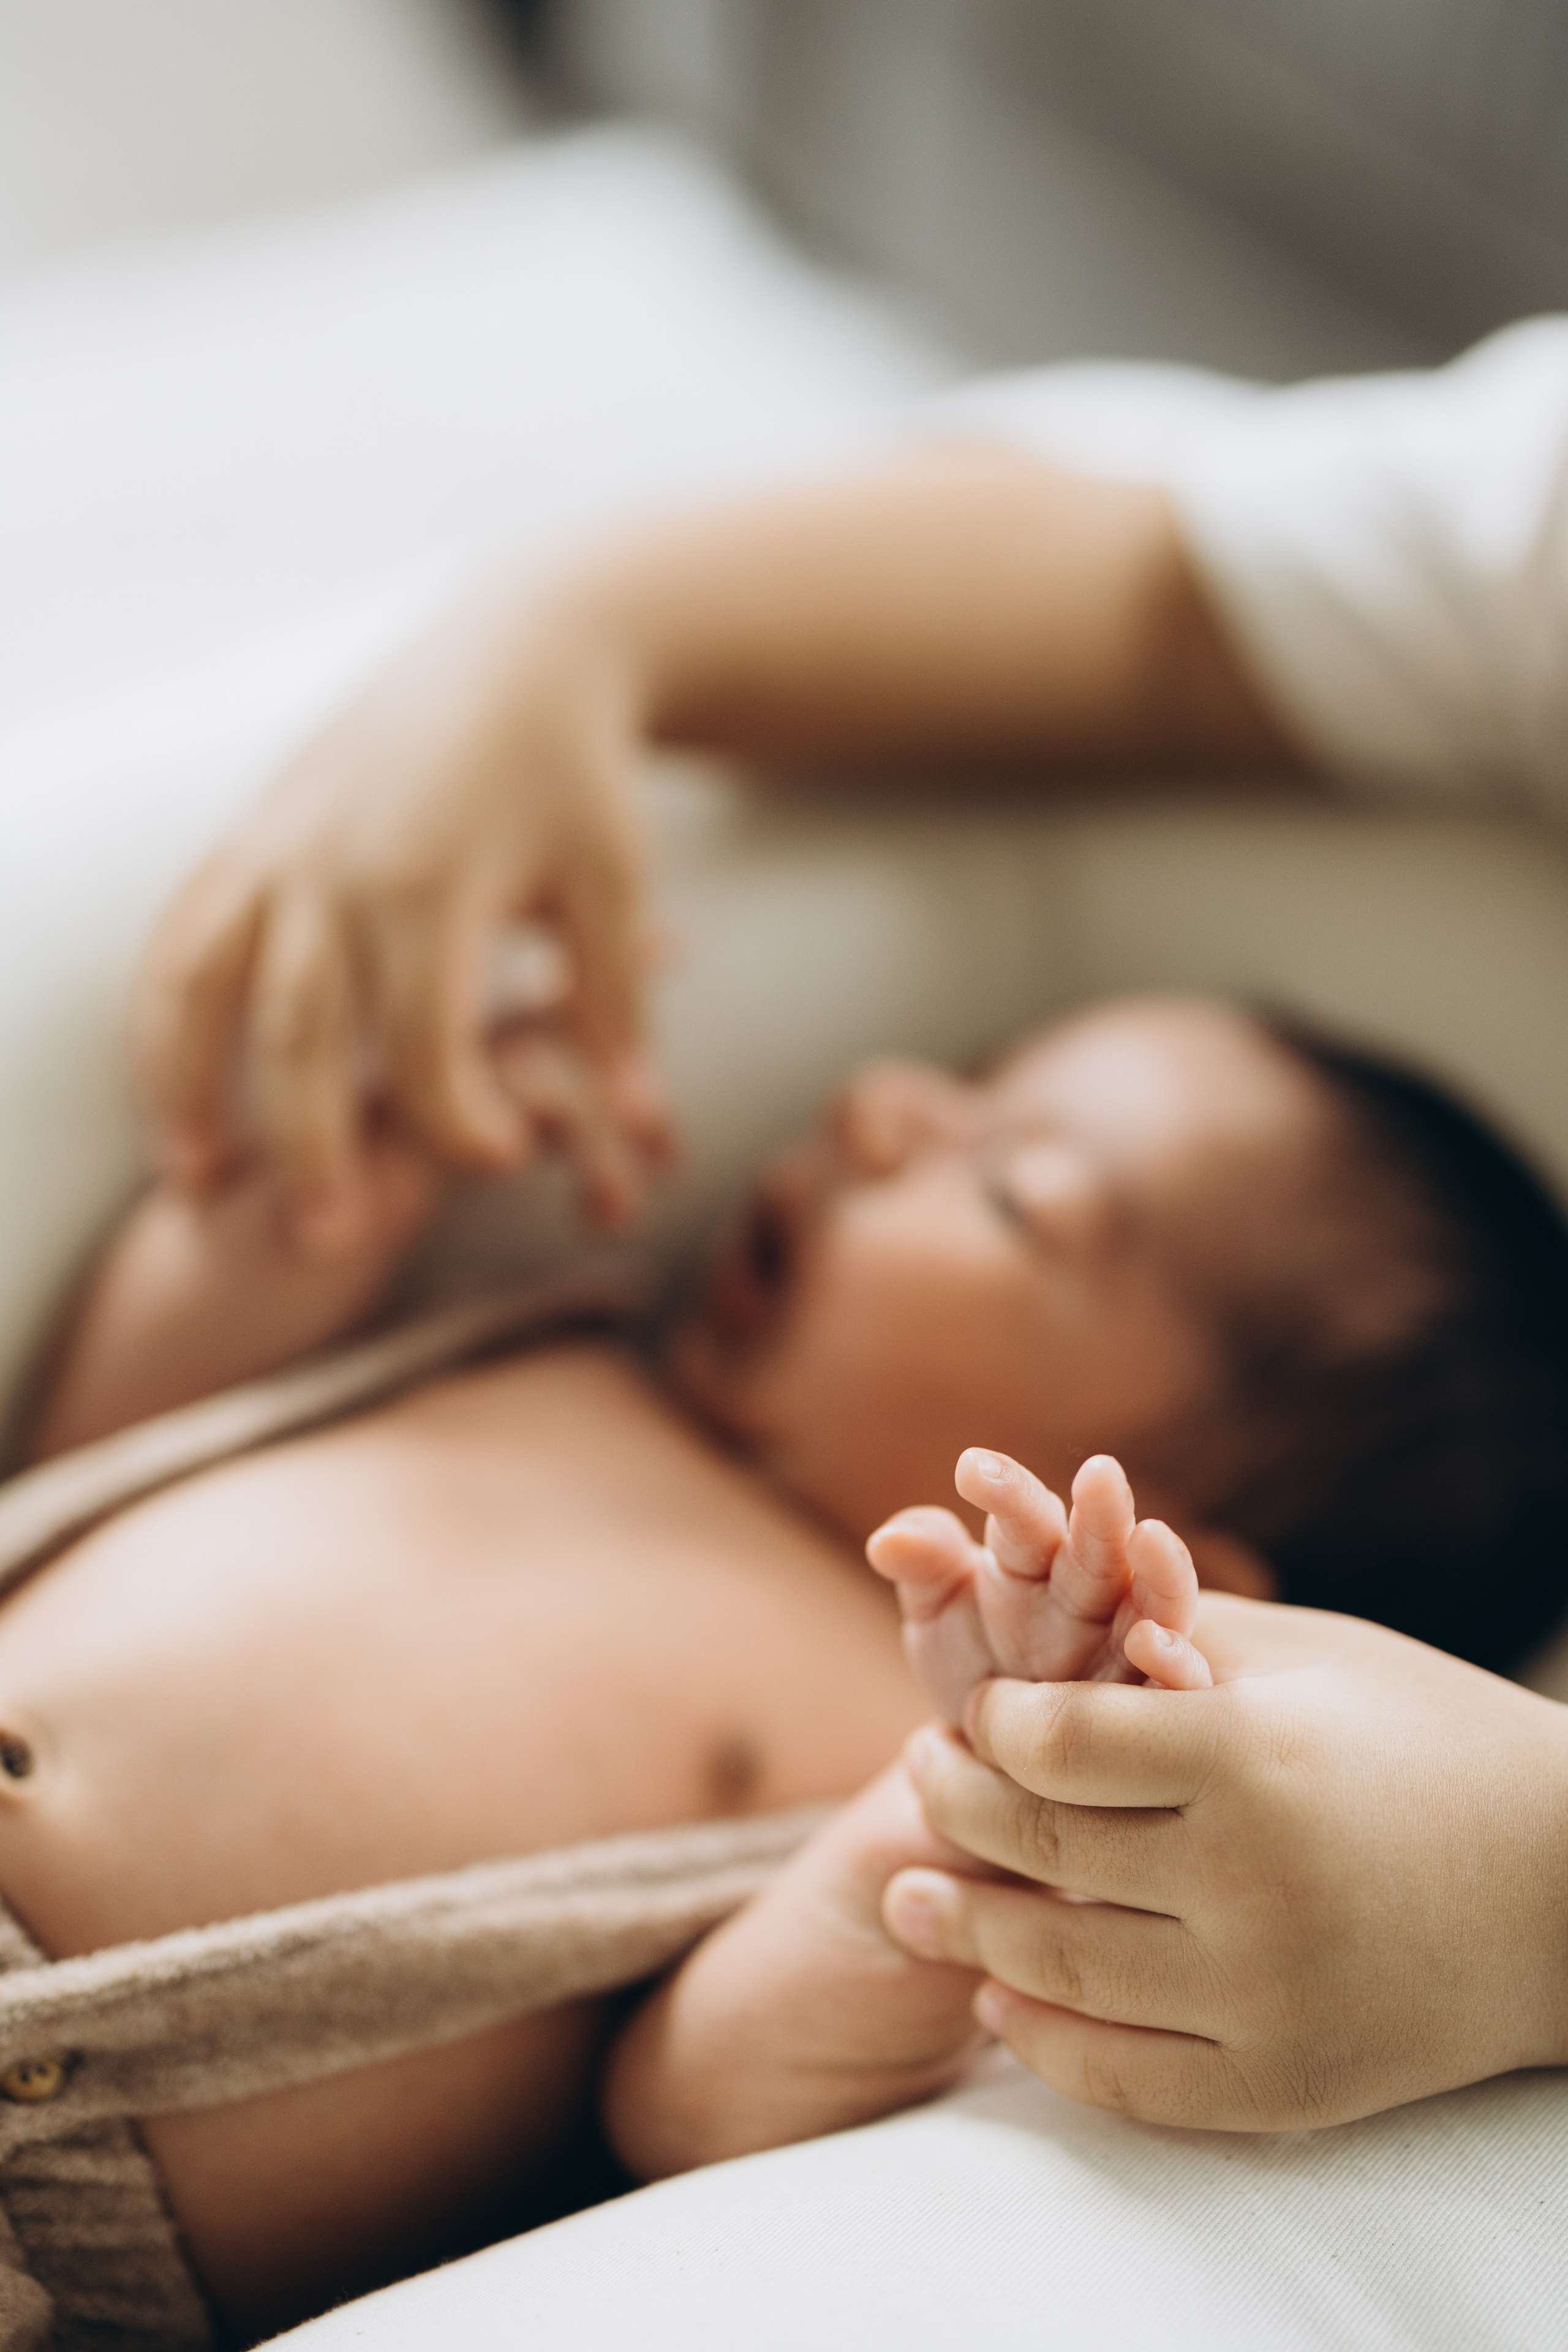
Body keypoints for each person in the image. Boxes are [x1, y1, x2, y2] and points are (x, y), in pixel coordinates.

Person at [9, 976, 1567, 2340]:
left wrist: (1000, 1801)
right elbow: (98, 1468)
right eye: (958, 1076)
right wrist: (295, 1223)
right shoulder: (559, 1348)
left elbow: (688, 2113)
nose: (883, 1106)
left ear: (1148, 1558)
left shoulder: (904, 1751)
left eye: (1013, 1190)